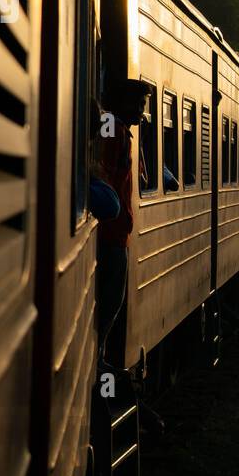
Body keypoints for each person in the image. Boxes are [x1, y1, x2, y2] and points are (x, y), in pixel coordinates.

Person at [96, 79, 148, 363]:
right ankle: (99, 356)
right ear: (123, 102)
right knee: (110, 301)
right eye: (138, 104)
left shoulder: (120, 131)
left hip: (116, 233)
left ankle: (100, 355)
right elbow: (104, 174)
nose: (142, 111)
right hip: (110, 234)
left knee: (111, 301)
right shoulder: (113, 130)